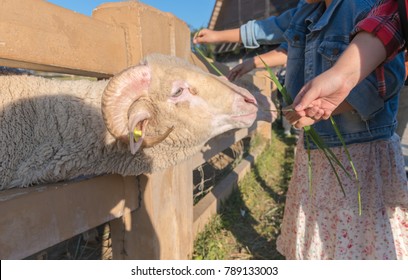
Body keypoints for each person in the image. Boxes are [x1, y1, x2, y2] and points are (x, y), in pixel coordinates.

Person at [195, 0, 408, 259]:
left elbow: (389, 79)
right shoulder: (304, 12)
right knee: (325, 227)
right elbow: (268, 31)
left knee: (360, 234)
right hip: (317, 149)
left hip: (359, 153)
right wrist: (219, 38)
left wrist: (326, 106)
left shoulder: (364, 7)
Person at [288, 0, 406, 124]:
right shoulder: (309, 9)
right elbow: (391, 21)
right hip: (325, 134)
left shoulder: (363, 7)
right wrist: (341, 77)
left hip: (361, 136)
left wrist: (337, 104)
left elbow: (390, 78)